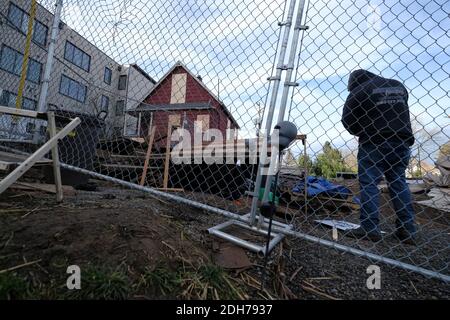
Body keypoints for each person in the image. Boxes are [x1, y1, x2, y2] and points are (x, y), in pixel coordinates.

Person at [342, 69, 416, 244]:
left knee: (369, 183)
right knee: (398, 182)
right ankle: (407, 230)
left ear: (353, 83)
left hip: (374, 142)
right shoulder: (398, 85)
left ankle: (370, 228)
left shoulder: (358, 91)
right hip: (401, 141)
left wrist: (362, 131)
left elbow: (347, 120)